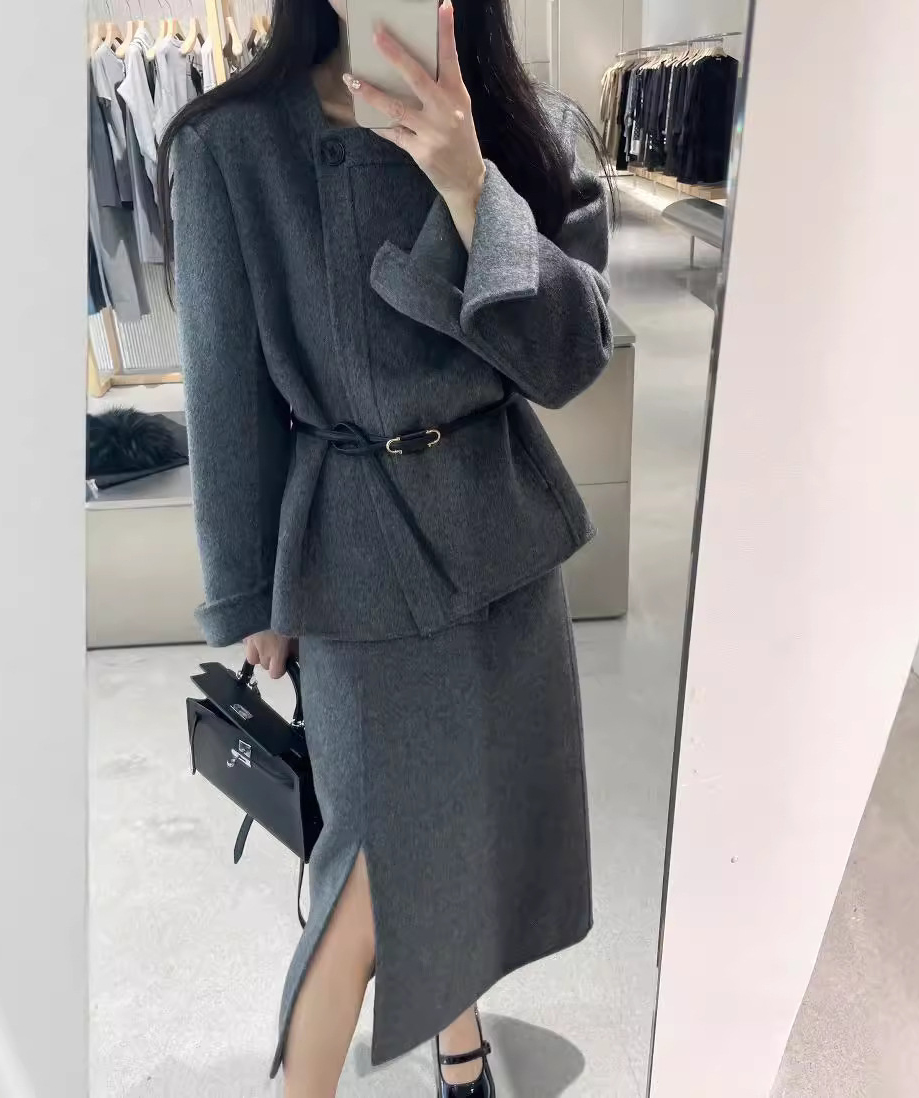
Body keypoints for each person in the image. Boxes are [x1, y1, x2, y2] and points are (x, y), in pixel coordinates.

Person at [159, 1, 613, 1094]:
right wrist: (252, 595)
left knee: (469, 836)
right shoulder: (234, 145)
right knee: (365, 874)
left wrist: (473, 188)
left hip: (501, 542)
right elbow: (226, 397)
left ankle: (462, 1056)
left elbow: (572, 358)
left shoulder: (532, 126)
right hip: (355, 556)